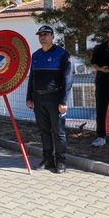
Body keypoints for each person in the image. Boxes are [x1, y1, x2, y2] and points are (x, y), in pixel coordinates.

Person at [25, 25, 73, 174]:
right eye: (40, 34)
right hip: (39, 99)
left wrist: (64, 101)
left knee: (58, 132)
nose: (42, 37)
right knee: (43, 131)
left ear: (52, 36)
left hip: (55, 98)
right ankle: (48, 160)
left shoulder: (62, 54)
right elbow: (32, 77)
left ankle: (61, 161)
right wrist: (29, 97)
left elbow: (68, 79)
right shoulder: (36, 55)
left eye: (46, 34)